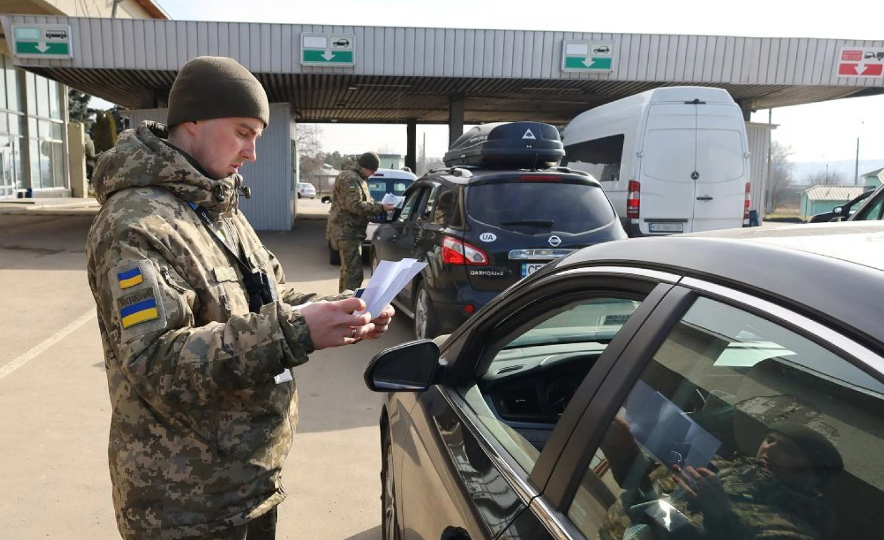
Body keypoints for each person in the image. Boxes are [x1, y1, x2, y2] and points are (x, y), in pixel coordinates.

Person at [85, 56, 395, 540]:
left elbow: (269, 294)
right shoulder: (136, 224)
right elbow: (155, 363)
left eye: (258, 136)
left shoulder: (215, 206)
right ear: (192, 120)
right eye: (243, 132)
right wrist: (296, 331)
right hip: (185, 502)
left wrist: (345, 306)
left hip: (247, 480)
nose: (252, 153)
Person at [598, 418, 844, 540]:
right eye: (770, 440)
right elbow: (645, 485)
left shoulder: (796, 527)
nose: (769, 450)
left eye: (787, 450)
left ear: (812, 477)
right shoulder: (722, 466)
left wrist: (721, 517)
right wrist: (622, 448)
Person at [326, 151, 395, 292]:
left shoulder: (359, 178)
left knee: (348, 272)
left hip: (352, 231)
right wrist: (380, 207)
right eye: (372, 171)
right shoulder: (350, 178)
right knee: (353, 274)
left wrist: (378, 206)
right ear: (365, 167)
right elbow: (354, 205)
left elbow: (363, 201)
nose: (373, 174)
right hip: (346, 232)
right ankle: (350, 306)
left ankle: (343, 303)